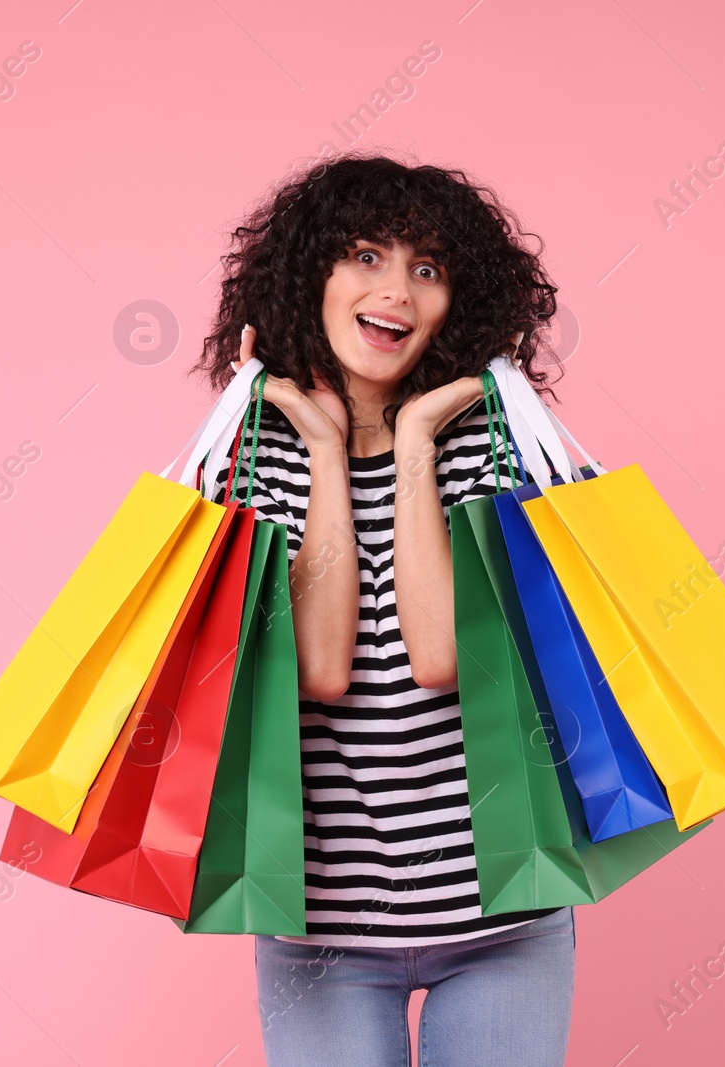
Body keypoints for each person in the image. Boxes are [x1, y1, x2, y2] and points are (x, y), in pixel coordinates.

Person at [194, 153, 574, 1067]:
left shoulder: (493, 445)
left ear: (460, 302)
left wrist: (411, 448)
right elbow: (319, 669)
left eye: (428, 268)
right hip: (318, 927)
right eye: (365, 255)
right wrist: (326, 455)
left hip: (503, 915)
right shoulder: (249, 464)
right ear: (308, 276)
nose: (396, 290)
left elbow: (446, 653)